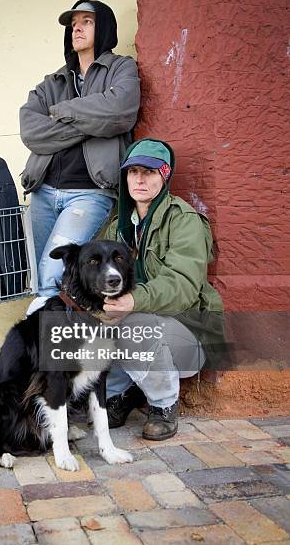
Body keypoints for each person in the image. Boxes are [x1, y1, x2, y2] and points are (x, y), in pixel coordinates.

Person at [20, 0, 140, 310]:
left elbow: (119, 113)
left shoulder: (121, 68)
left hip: (88, 193)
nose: (77, 27)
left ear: (104, 28)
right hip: (43, 191)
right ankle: (49, 344)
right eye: (74, 23)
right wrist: (93, 123)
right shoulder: (54, 81)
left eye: (86, 21)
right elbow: (32, 132)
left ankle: (47, 348)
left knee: (51, 275)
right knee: (35, 275)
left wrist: (61, 113)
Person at [103, 138, 226, 440]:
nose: (140, 179)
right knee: (97, 323)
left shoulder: (184, 220)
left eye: (149, 172)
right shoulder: (120, 224)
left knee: (132, 321)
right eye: (133, 172)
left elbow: (181, 285)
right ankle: (119, 395)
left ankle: (163, 405)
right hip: (144, 328)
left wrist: (132, 300)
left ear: (165, 175)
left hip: (189, 335)